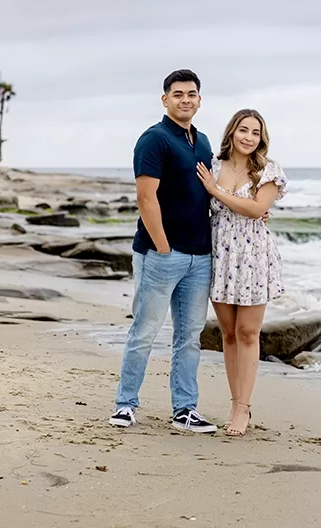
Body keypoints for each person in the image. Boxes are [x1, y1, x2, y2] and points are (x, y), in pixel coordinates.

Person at [108, 69, 218, 433]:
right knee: (144, 331)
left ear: (200, 100)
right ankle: (125, 405)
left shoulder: (201, 142)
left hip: (200, 257)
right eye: (177, 94)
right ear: (165, 99)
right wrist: (163, 246)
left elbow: (213, 191)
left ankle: (184, 410)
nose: (185, 99)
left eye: (191, 94)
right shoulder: (153, 140)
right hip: (161, 254)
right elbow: (145, 196)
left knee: (189, 337)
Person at [195, 109, 288, 437]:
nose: (249, 137)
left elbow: (257, 208)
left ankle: (243, 409)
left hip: (252, 256)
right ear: (232, 132)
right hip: (221, 254)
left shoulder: (267, 170)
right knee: (229, 333)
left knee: (248, 333)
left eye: (255, 132)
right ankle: (235, 401)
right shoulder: (214, 167)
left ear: (262, 138)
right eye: (243, 130)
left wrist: (217, 192)